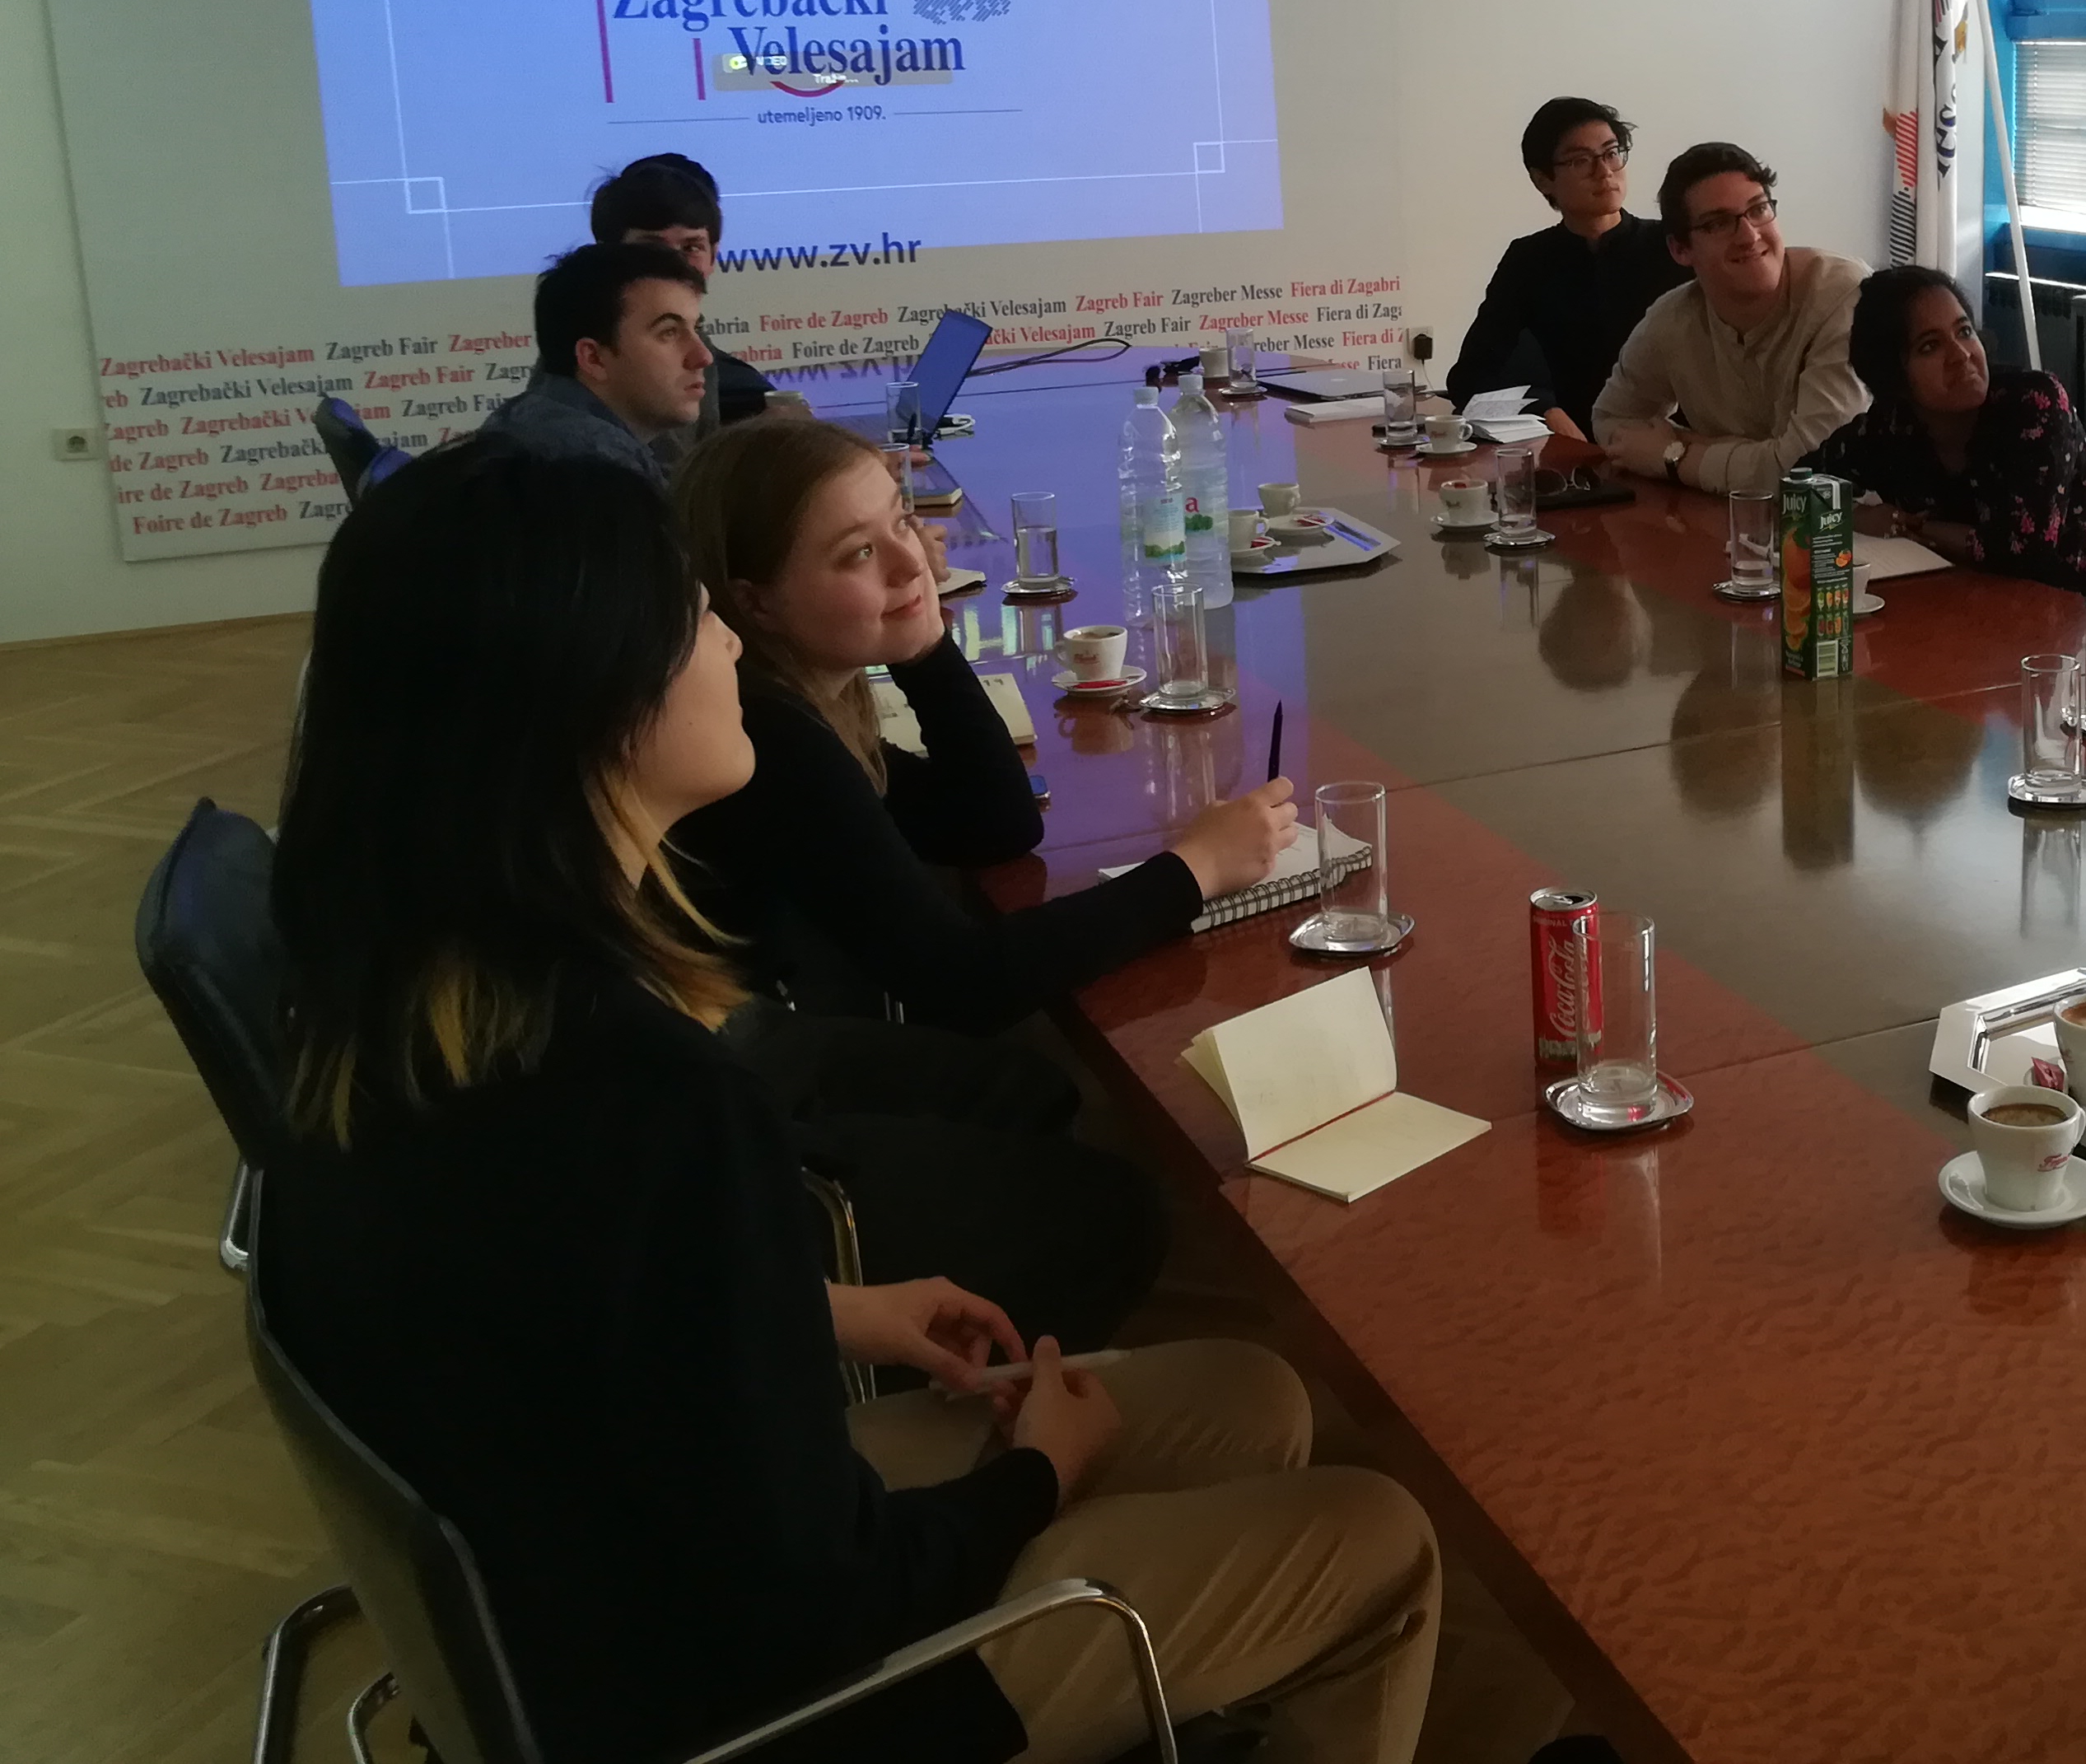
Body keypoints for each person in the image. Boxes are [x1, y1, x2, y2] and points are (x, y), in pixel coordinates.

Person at [259, 444, 1440, 1764]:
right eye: (690, 617)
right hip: (788, 1709)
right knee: (1382, 1536)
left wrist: (806, 1301)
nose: (723, 637)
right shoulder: (646, 1097)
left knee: (1254, 1394)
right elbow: (831, 1607)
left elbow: (571, 1307)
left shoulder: (416, 1007)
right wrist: (1037, 1476)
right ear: (590, 704)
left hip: (606, 1605)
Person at [669, 416, 1297, 1342]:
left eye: (901, 523)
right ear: (754, 604)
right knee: (1112, 1201)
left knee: (1036, 1091)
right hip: (741, 1095)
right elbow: (963, 982)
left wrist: (926, 646)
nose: (909, 562)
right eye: (857, 553)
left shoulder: (808, 700)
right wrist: (1192, 871)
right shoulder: (771, 739)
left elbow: (993, 823)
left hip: (769, 1045)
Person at [1809, 265, 2086, 592]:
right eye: (1930, 346)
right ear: (1894, 377)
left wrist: (1913, 528)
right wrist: (1859, 517)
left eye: (1964, 331)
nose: (1961, 355)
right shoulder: (1890, 425)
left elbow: (2024, 551)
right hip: (1967, 591)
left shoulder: (2036, 404)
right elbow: (1803, 485)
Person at [1592, 142, 1868, 492]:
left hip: (1861, 520)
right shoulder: (1673, 318)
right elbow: (1611, 418)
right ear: (1680, 249)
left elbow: (1811, 471)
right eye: (1718, 223)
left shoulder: (1845, 295)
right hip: (1730, 517)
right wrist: (1753, 458)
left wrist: (1674, 455)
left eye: (1759, 209)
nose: (1749, 235)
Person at [1444, 100, 1692, 440]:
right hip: (1568, 452)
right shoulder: (1528, 260)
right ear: (1543, 180)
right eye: (1581, 161)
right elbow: (1470, 376)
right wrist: (1543, 410)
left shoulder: (1674, 247)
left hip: (1670, 444)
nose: (1604, 172)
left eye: (1612, 153)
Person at [590, 151, 784, 450]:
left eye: (691, 247)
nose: (674, 263)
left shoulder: (699, 345)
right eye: (651, 247)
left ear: (713, 256)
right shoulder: (605, 340)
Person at [475, 240, 710, 484]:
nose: (703, 357)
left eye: (697, 328)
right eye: (668, 332)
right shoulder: (595, 469)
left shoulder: (520, 425)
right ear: (594, 359)